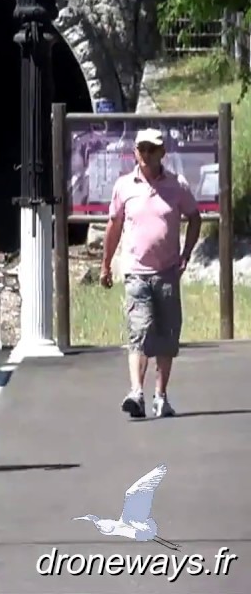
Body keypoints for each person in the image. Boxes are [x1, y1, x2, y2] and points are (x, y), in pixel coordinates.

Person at [99, 128, 201, 419]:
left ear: (162, 153)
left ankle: (161, 395)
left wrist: (186, 254)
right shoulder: (124, 186)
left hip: (168, 271)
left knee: (167, 335)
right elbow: (114, 226)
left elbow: (195, 218)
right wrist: (106, 264)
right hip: (136, 272)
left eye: (152, 149)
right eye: (141, 149)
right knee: (139, 332)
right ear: (135, 153)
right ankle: (136, 393)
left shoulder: (176, 185)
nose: (146, 154)